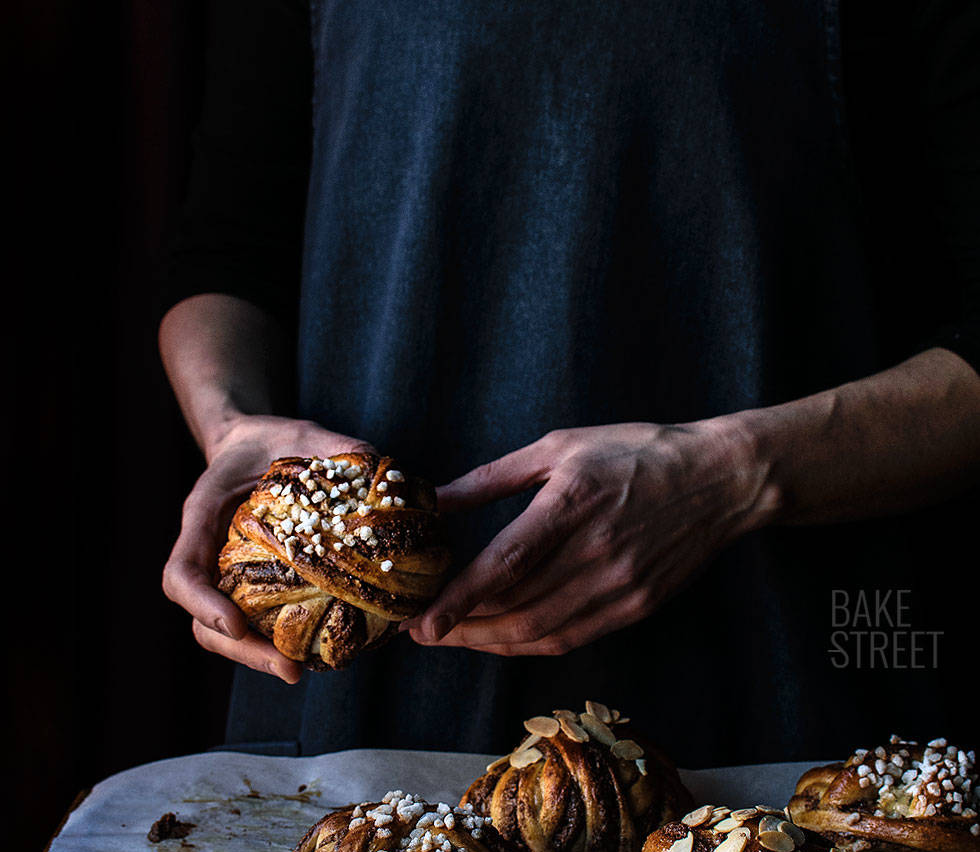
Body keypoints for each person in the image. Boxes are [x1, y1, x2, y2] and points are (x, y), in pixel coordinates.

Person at [160, 0, 980, 767]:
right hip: (365, 682)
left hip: (801, 675)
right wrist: (230, 426)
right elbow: (229, 250)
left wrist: (734, 472)